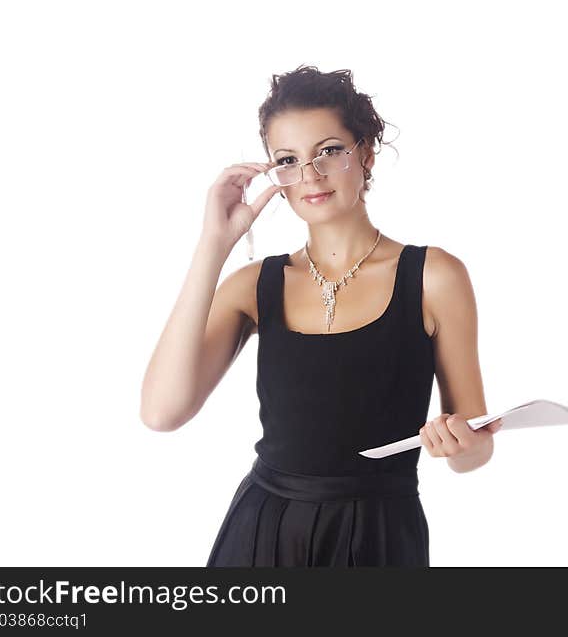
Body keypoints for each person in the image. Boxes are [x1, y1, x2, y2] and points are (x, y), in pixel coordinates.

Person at [140, 65, 503, 566]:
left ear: (366, 154)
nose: (310, 175)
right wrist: (213, 246)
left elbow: (475, 450)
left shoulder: (434, 276)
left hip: (380, 538)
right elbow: (162, 413)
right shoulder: (254, 286)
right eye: (288, 160)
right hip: (262, 535)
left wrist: (460, 446)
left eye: (329, 151)